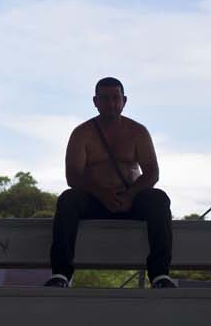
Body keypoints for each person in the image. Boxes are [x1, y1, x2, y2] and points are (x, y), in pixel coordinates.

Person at [47, 77, 174, 288]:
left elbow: (152, 173)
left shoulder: (138, 132)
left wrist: (130, 195)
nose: (111, 103)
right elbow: (73, 176)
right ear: (95, 102)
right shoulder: (82, 133)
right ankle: (61, 274)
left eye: (115, 98)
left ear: (124, 100)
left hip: (130, 200)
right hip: (94, 201)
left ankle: (160, 274)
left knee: (158, 199)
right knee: (68, 200)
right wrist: (102, 194)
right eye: (104, 98)